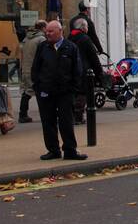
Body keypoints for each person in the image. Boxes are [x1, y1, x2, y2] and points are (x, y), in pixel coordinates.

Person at [31, 20, 86, 161]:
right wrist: (38, 87)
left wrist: (73, 89)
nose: (47, 34)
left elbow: (77, 70)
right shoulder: (43, 47)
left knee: (66, 122)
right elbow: (35, 68)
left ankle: (69, 150)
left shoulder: (71, 48)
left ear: (60, 31)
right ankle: (53, 150)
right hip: (46, 92)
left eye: (51, 31)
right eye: (47, 31)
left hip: (65, 93)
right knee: (48, 122)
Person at [70, 17, 104, 125]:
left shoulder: (69, 37)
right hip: (84, 70)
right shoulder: (85, 39)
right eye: (87, 27)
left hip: (71, 69)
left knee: (74, 93)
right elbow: (93, 57)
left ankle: (72, 115)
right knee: (82, 93)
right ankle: (78, 116)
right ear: (84, 28)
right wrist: (100, 72)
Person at [18, 21, 45, 123]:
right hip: (34, 70)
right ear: (42, 28)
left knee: (26, 92)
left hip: (25, 69)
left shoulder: (26, 39)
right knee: (40, 92)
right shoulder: (41, 39)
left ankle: (23, 114)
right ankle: (44, 113)